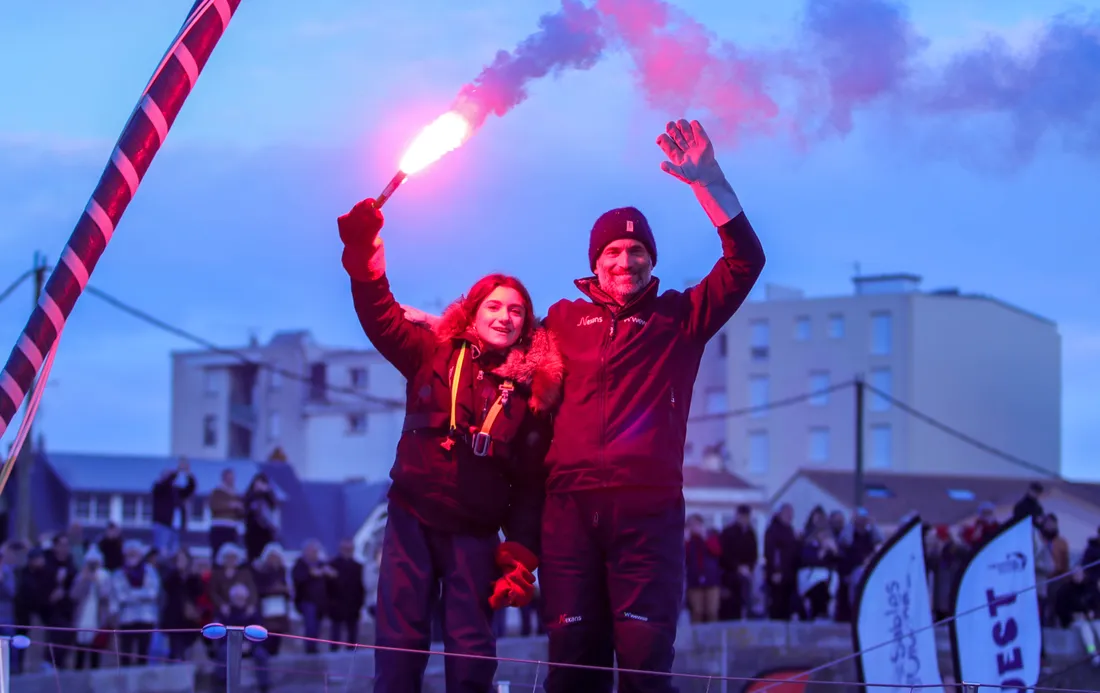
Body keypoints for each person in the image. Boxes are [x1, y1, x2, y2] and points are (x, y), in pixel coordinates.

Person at [402, 118, 765, 692]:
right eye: (615, 251)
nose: (627, 261)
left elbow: (746, 262)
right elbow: (502, 344)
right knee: (573, 662)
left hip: (647, 514)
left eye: (638, 250)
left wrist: (708, 182)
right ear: (596, 262)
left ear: (652, 259)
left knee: (645, 663)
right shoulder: (565, 320)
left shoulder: (680, 317)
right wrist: (440, 326)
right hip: (567, 512)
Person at [336, 195, 563, 693]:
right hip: (411, 516)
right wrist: (363, 251)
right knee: (399, 642)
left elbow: (529, 485)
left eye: (517, 312)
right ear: (474, 310)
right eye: (495, 306)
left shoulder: (532, 397)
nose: (505, 317)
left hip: (476, 533)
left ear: (527, 324)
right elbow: (379, 315)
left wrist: (521, 556)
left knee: (473, 653)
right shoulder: (431, 350)